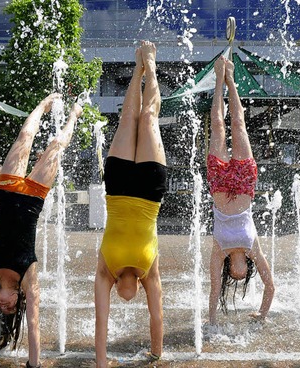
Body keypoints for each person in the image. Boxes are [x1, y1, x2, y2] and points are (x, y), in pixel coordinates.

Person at [0, 93, 82, 368]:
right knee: (57, 145)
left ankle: (42, 104)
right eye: (11, 308)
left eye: (1, 309)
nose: (4, 306)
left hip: (6, 190)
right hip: (34, 197)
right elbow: (33, 323)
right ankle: (74, 115)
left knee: (25, 136)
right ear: (19, 300)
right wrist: (33, 365)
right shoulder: (27, 278)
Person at [94, 41, 167, 367]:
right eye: (132, 296)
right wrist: (156, 353)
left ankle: (137, 67)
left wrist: (100, 362)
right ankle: (150, 67)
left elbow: (101, 322)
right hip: (150, 194)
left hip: (118, 189)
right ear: (136, 288)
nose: (126, 296)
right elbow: (158, 315)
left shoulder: (105, 273)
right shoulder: (149, 273)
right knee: (148, 118)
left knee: (127, 119)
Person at [206, 56, 274, 325]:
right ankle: (230, 79)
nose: (238, 274)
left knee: (218, 126)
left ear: (228, 271)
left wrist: (211, 321)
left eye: (233, 275)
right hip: (245, 182)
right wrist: (262, 313)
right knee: (239, 125)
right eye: (243, 275)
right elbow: (270, 287)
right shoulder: (253, 250)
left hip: (219, 183)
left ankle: (219, 79)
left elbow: (213, 291)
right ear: (247, 270)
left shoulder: (219, 251)